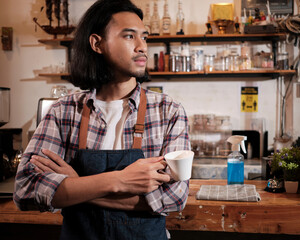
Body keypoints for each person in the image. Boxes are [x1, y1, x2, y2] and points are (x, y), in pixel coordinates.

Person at [13, 0, 190, 239]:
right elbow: (26, 190)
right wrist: (120, 180)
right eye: (129, 36)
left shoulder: (168, 112)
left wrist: (78, 185)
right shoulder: (63, 111)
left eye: (144, 37)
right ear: (97, 43)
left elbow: (174, 198)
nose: (142, 47)